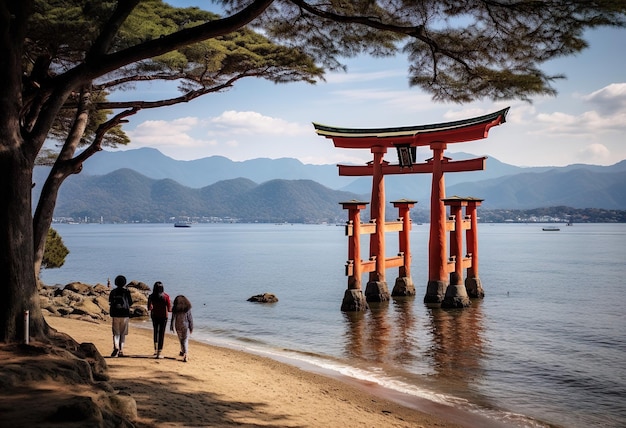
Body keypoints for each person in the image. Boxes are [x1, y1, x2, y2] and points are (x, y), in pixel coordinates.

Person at [108, 275, 133, 357]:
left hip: (115, 313)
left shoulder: (113, 292)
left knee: (116, 333)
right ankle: (121, 350)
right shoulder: (127, 292)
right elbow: (130, 302)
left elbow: (110, 301)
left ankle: (116, 346)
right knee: (123, 333)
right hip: (125, 314)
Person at [147, 281, 171, 359]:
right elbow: (169, 308)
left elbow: (149, 308)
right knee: (161, 333)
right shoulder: (166, 296)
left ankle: (155, 349)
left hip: (154, 316)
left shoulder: (151, 296)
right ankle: (159, 352)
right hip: (164, 317)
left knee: (155, 332)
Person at [170, 295, 193, 362]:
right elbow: (190, 318)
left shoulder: (175, 309)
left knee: (181, 340)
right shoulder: (187, 308)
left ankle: (183, 352)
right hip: (185, 325)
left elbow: (173, 318)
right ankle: (185, 354)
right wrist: (191, 327)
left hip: (178, 326)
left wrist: (171, 326)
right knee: (185, 340)